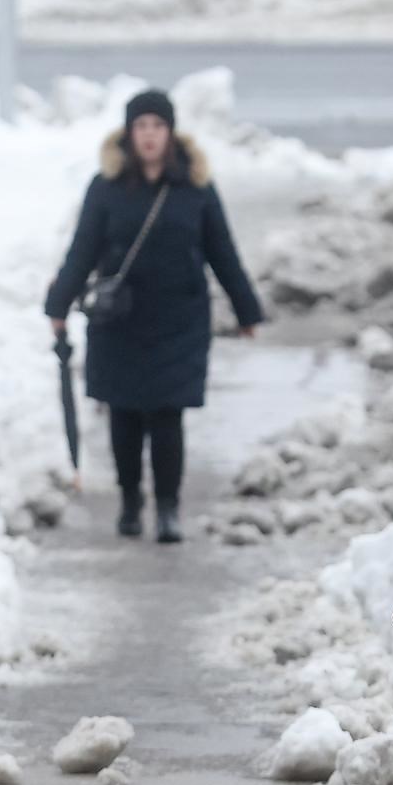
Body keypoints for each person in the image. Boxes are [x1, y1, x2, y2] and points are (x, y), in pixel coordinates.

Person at [44, 90, 264, 543]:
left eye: (157, 127)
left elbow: (222, 252)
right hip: (118, 322)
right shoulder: (105, 187)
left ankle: (167, 508)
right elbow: (82, 251)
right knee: (123, 418)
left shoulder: (195, 188)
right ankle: (130, 501)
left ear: (170, 132)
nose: (149, 136)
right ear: (129, 133)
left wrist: (246, 310)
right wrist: (59, 305)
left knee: (167, 418)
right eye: (141, 127)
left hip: (178, 320)